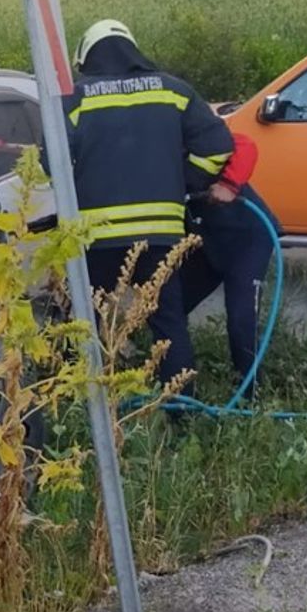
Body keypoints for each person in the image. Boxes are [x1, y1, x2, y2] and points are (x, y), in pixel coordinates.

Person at [65, 19, 235, 387]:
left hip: (96, 236)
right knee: (168, 321)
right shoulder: (174, 91)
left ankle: (81, 399)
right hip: (161, 234)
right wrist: (183, 181)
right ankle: (181, 404)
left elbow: (51, 164)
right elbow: (218, 147)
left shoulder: (76, 98)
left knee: (81, 320)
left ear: (88, 57)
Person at [183, 132, 281, 397]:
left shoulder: (189, 130)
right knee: (170, 306)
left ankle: (250, 396)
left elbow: (245, 145)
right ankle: (178, 383)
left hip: (247, 238)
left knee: (240, 319)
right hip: (207, 241)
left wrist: (228, 184)